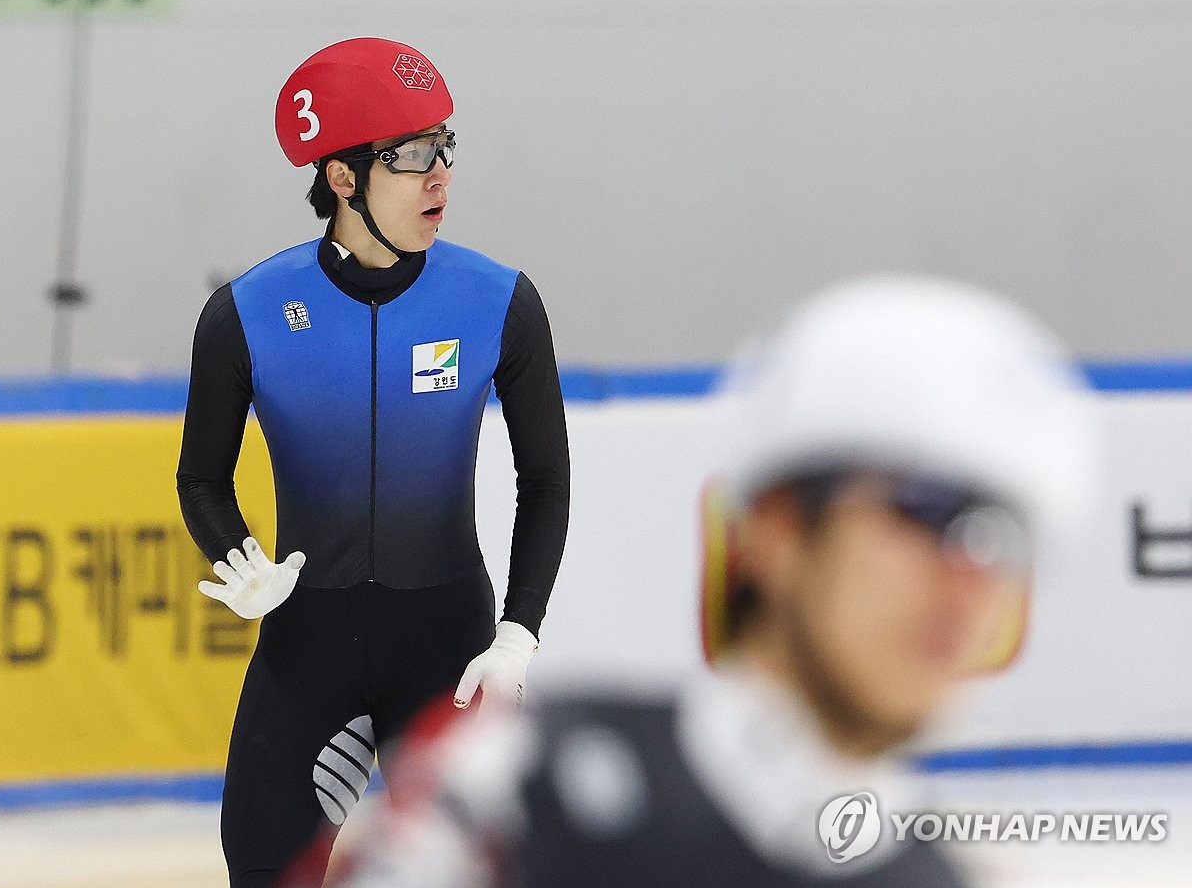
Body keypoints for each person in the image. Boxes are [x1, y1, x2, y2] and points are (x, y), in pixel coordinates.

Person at [320, 274, 1097, 888]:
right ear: (776, 529)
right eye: (930, 511)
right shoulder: (531, 779)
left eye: (1007, 542)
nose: (969, 581)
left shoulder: (934, 876)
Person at [175, 37, 570, 888]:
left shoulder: (497, 299)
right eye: (412, 156)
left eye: (446, 148)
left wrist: (519, 631)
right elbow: (200, 477)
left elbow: (543, 478)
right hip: (307, 645)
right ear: (344, 177)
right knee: (261, 863)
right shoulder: (247, 313)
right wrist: (235, 554)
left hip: (451, 651)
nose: (440, 177)